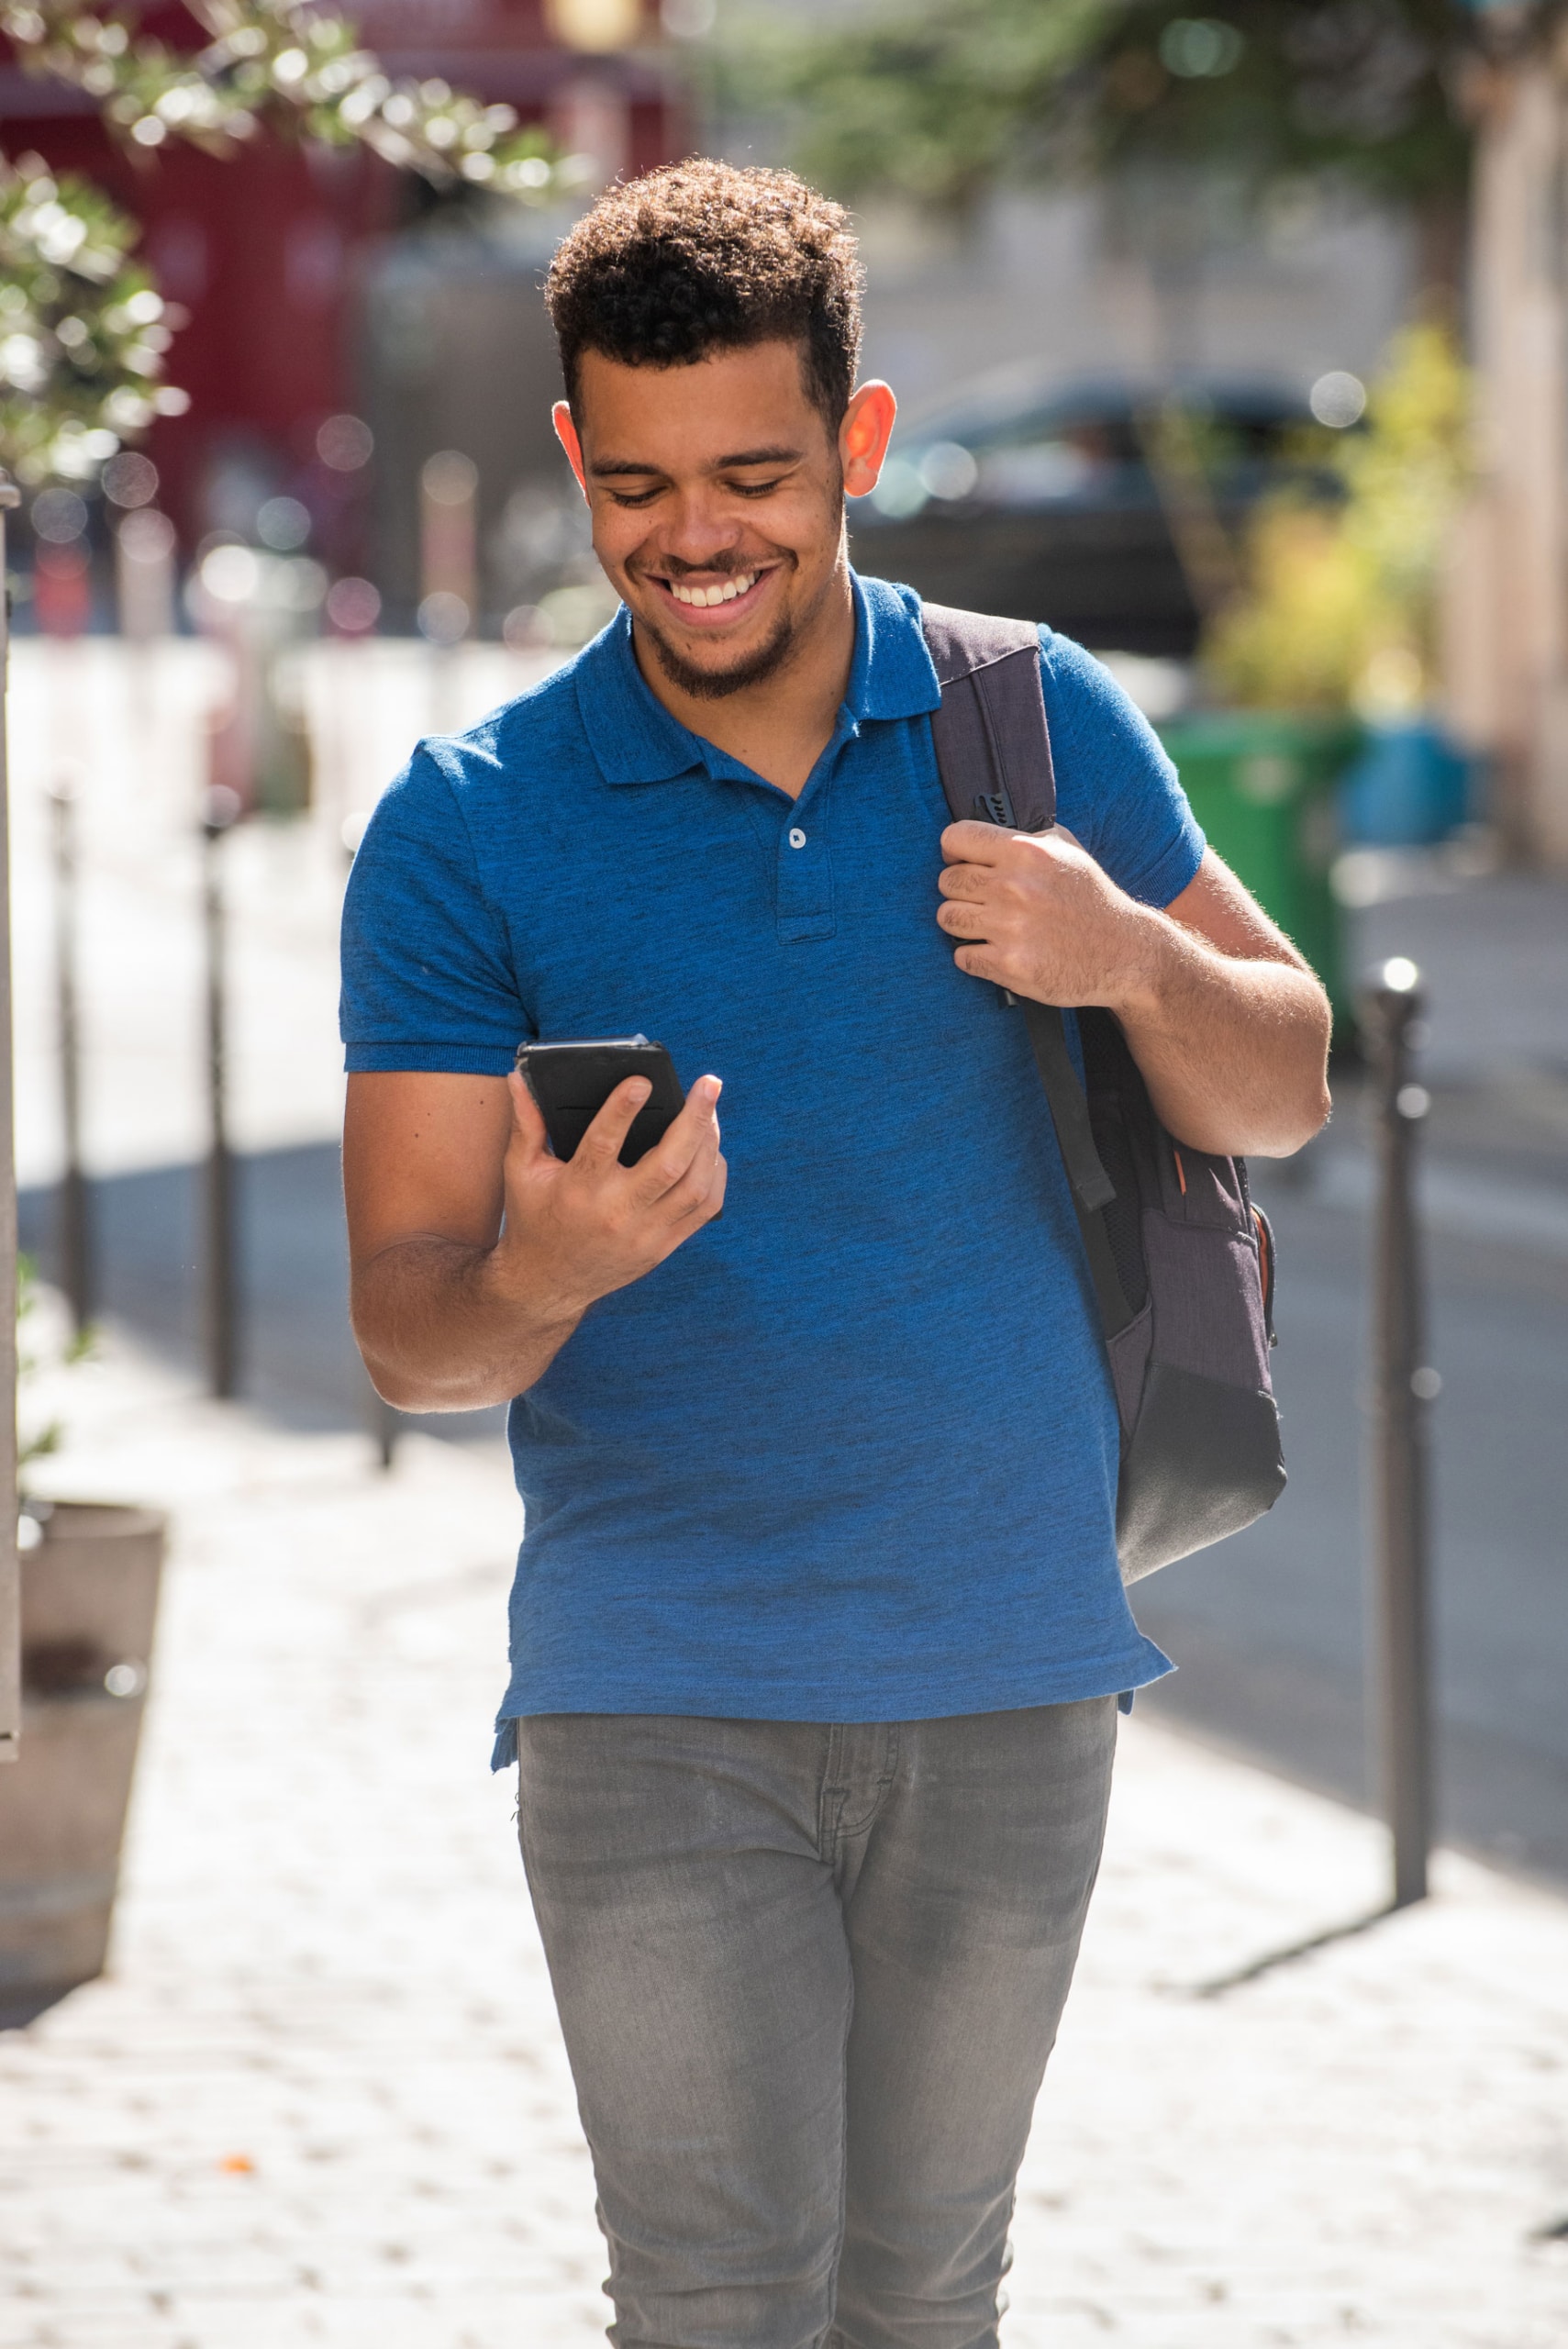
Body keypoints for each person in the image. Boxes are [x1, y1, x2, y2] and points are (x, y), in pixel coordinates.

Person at [340, 159, 1330, 2349]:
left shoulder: (1033, 715)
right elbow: (410, 1331)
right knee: (715, 2300)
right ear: (581, 459)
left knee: (925, 2296)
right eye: (639, 480)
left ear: (859, 446)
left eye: (759, 475)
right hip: (653, 1680)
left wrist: (1128, 963)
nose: (696, 534)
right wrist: (549, 1265)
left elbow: (1285, 1081)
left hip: (1013, 1655)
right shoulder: (469, 819)